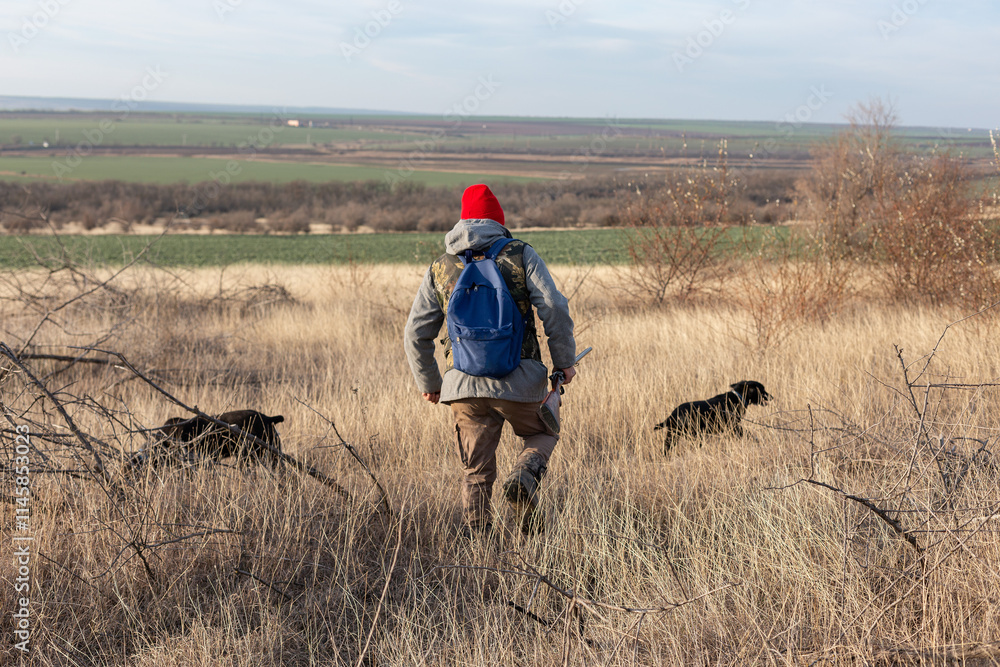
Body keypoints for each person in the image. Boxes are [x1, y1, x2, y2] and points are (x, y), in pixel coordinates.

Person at [403, 184, 577, 536]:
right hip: (520, 378)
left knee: (476, 469)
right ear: (498, 220)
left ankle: (479, 542)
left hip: (462, 384)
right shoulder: (519, 253)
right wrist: (564, 361)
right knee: (543, 433)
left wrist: (432, 384)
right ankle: (525, 475)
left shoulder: (441, 266)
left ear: (462, 220)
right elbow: (554, 306)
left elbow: (414, 333)